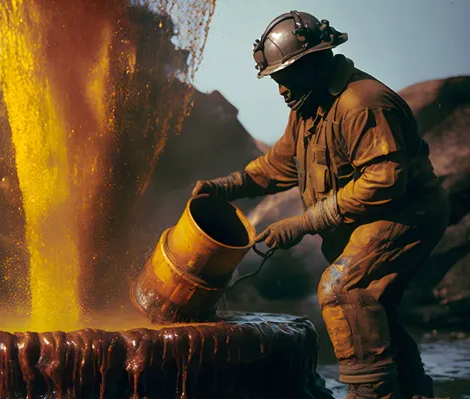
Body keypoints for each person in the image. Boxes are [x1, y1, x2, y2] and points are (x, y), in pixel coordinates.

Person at [192, 11, 450, 399]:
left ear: (314, 62)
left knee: (343, 289)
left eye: (285, 77)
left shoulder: (362, 104)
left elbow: (385, 180)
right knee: (374, 306)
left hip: (406, 214)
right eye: (275, 80)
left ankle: (369, 393)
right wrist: (225, 187)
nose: (280, 90)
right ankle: (412, 390)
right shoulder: (307, 106)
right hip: (374, 215)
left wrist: (304, 222)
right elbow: (280, 165)